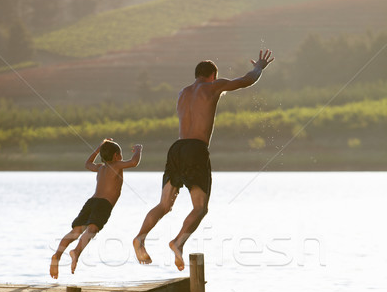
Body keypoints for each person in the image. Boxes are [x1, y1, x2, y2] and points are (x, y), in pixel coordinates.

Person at [133, 48, 274, 271]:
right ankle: (178, 242)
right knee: (200, 208)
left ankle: (140, 238)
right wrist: (259, 67)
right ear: (213, 76)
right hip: (196, 150)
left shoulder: (182, 93)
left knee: (164, 204)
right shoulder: (212, 87)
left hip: (176, 149)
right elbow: (247, 80)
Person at [50, 138, 142, 278]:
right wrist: (138, 150)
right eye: (120, 154)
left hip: (91, 202)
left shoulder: (100, 168)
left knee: (75, 231)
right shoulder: (117, 165)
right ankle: (76, 252)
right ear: (117, 156)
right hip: (103, 204)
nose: (122, 158)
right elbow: (134, 162)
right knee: (92, 229)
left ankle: (57, 255)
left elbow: (87, 164)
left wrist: (99, 148)